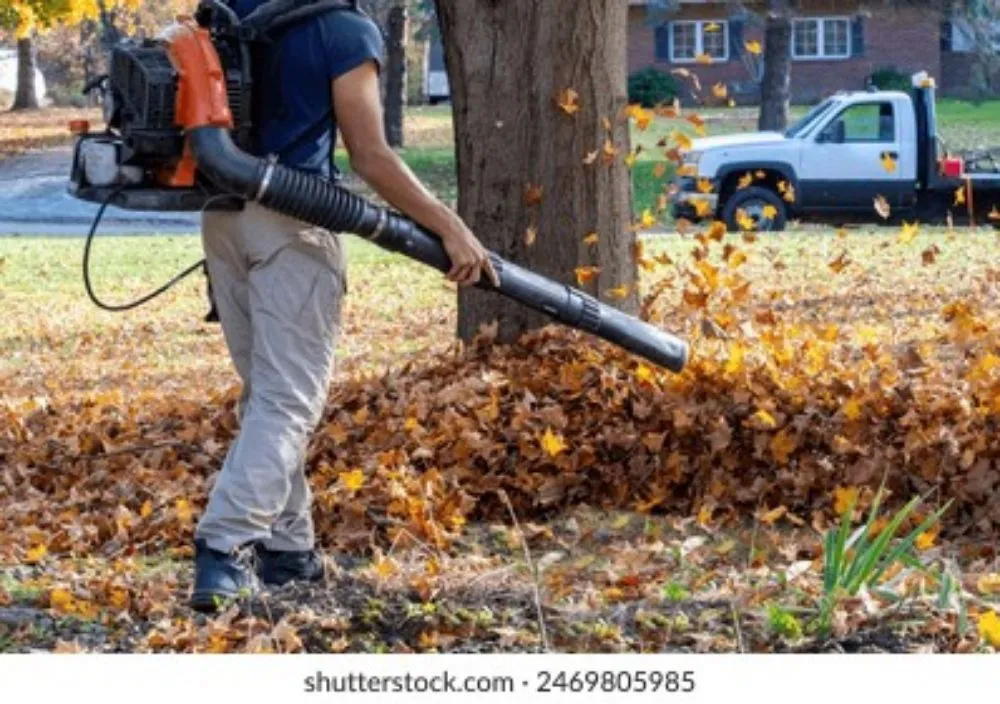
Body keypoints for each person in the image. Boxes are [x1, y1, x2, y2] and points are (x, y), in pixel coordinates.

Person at [191, 0, 499, 612]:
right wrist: (450, 226)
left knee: (268, 396)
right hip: (295, 223)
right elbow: (370, 155)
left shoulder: (234, 11)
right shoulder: (344, 30)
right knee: (288, 401)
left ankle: (288, 551)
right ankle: (223, 550)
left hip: (223, 220)